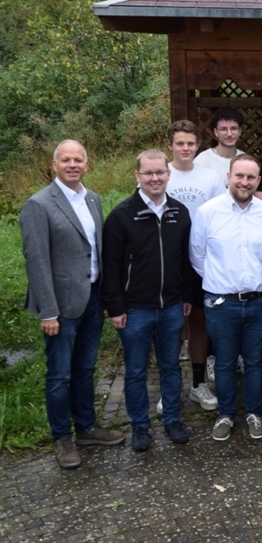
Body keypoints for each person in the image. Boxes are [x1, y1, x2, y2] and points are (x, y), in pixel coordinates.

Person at [20, 140, 125, 469]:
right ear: (54, 165)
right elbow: (36, 261)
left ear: (87, 164)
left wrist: (107, 297)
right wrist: (47, 311)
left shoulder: (92, 198)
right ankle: (61, 436)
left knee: (85, 369)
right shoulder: (38, 205)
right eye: (65, 160)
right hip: (61, 306)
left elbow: (97, 251)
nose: (72, 164)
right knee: (59, 375)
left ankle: (87, 427)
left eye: (78, 159)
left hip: (92, 297)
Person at [101, 149, 194, 451]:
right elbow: (111, 266)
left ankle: (172, 419)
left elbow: (186, 261)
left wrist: (186, 296)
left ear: (168, 174)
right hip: (135, 309)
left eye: (160, 172)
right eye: (148, 173)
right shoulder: (121, 216)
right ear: (137, 176)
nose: (155, 178)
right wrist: (115, 306)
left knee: (171, 367)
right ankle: (140, 426)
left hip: (171, 306)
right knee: (136, 371)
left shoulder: (179, 212)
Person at [190, 154, 262, 442]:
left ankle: (254, 413)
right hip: (221, 302)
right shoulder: (207, 212)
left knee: (255, 362)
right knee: (225, 363)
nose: (244, 182)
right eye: (239, 175)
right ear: (228, 176)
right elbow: (197, 255)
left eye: (251, 177)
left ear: (258, 181)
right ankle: (226, 415)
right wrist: (219, 282)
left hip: (258, 301)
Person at [165, 120, 226, 412]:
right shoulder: (160, 174)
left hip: (202, 260)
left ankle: (198, 385)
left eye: (190, 143)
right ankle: (168, 389)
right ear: (170, 146)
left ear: (197, 145)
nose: (186, 148)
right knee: (172, 327)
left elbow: (219, 216)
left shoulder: (211, 177)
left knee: (199, 324)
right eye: (180, 143)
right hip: (169, 260)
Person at [194, 107, 246, 182]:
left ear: (240, 131)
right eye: (223, 129)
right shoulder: (203, 161)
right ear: (216, 132)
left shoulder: (246, 160)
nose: (229, 134)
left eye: (234, 128)